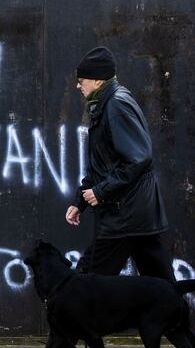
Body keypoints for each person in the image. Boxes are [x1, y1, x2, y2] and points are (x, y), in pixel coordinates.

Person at [65, 46, 173, 280]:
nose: (77, 85)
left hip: (124, 215)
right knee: (161, 286)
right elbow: (104, 164)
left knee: (85, 282)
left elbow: (139, 158)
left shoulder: (116, 105)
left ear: (96, 80)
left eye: (81, 80)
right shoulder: (108, 103)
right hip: (136, 214)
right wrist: (80, 201)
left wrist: (101, 192)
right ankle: (170, 317)